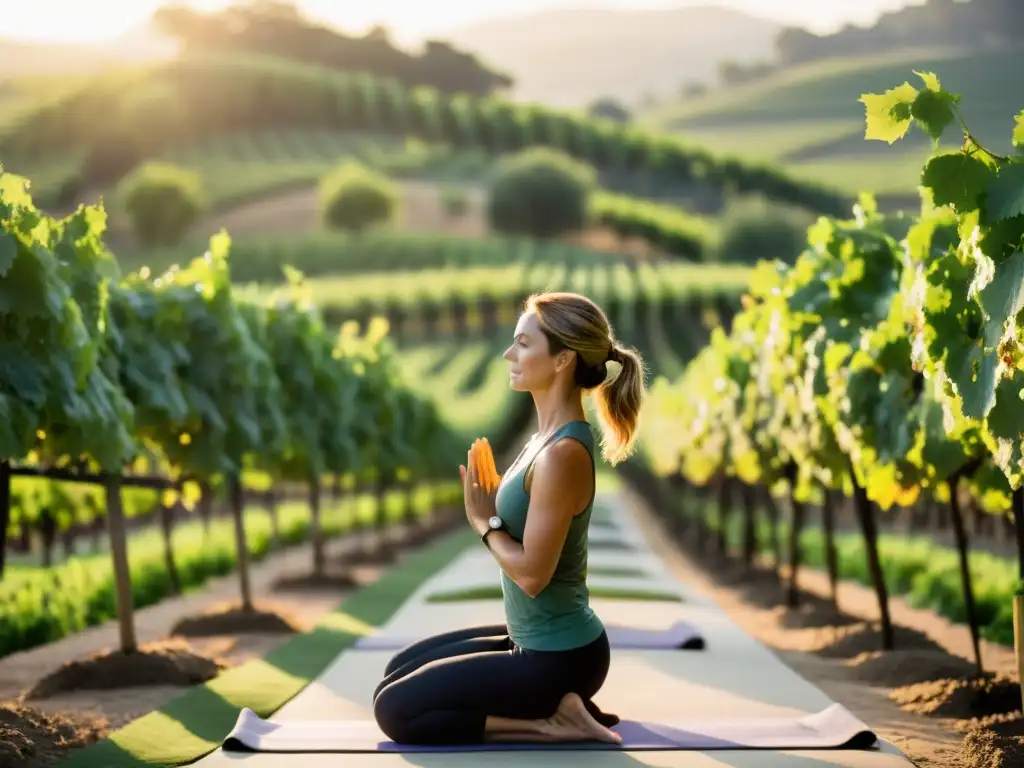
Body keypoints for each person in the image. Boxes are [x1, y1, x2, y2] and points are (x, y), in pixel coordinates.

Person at [372, 291, 647, 746]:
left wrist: (485, 523)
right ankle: (560, 709)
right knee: (396, 671)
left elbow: (534, 576)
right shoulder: (543, 440)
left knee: (395, 711)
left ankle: (550, 722)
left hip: (558, 657)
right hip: (533, 641)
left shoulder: (563, 453)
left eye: (523, 343)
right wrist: (498, 502)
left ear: (562, 360)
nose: (507, 353)